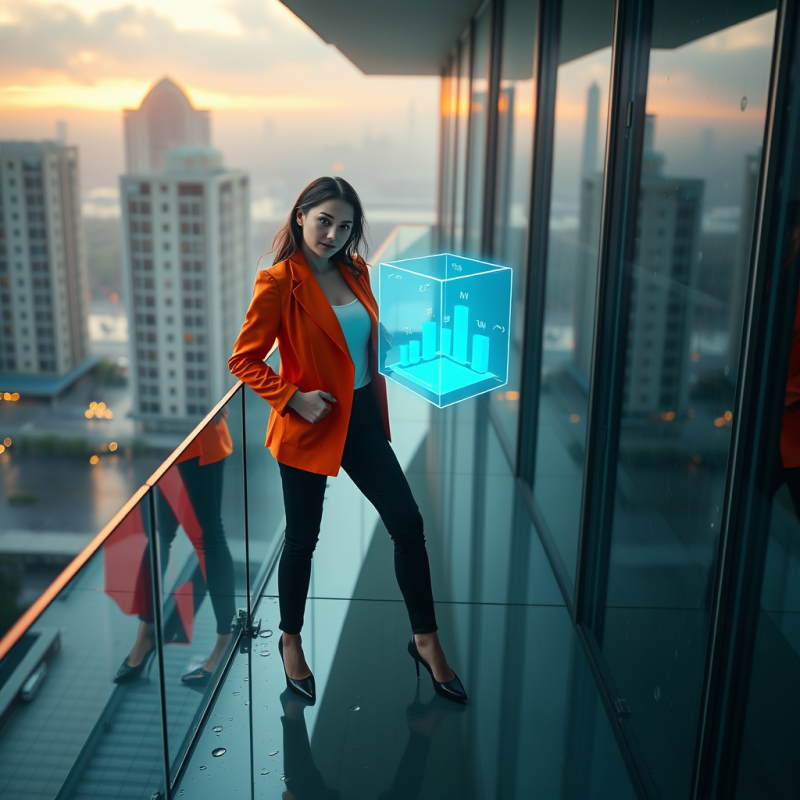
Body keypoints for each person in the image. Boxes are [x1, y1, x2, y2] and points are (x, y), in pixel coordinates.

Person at [228, 176, 467, 704]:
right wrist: (293, 397)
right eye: (323, 221)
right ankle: (290, 642)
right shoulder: (277, 282)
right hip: (309, 424)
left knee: (408, 522)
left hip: (359, 418)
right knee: (302, 540)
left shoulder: (355, 270)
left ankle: (425, 641)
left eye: (344, 226)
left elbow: (362, 340)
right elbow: (242, 360)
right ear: (300, 217)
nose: (332, 234)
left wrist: (413, 339)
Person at [112, 411, 236, 686]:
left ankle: (226, 638)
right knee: (160, 537)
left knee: (210, 538)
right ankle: (146, 631)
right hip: (165, 442)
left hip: (199, 439)